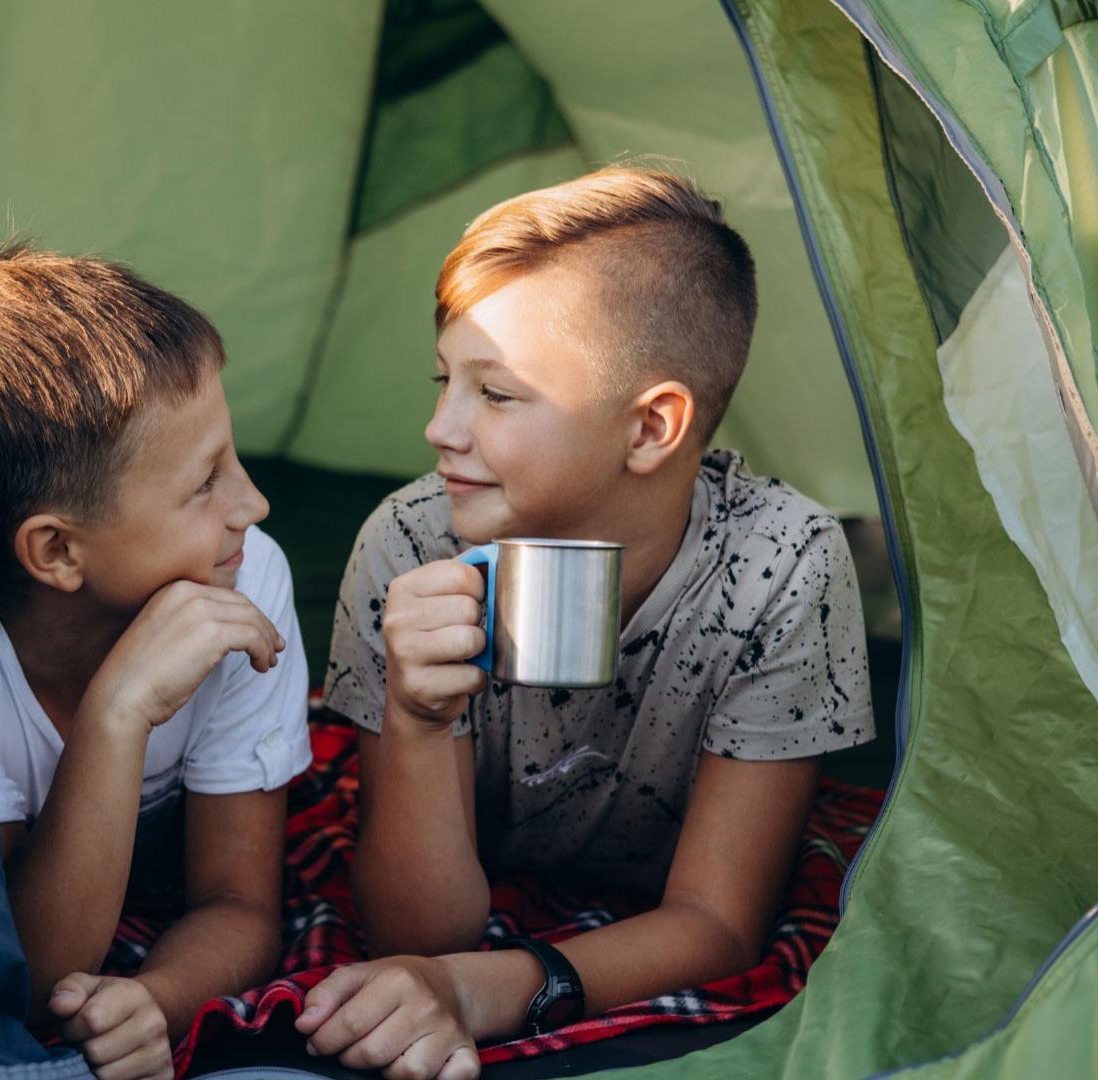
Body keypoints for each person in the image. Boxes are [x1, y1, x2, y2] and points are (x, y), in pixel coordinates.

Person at [298, 167, 875, 1079]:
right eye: (444, 380)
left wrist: (493, 990)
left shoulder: (785, 563)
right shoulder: (410, 544)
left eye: (495, 394)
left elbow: (719, 923)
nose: (439, 427)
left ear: (651, 429)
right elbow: (417, 937)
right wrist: (414, 722)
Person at [0, 246, 310, 1080]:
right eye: (204, 485)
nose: (252, 506)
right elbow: (29, 968)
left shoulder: (246, 574)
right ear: (56, 551)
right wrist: (118, 712)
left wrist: (156, 997)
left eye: (234, 460)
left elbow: (239, 904)